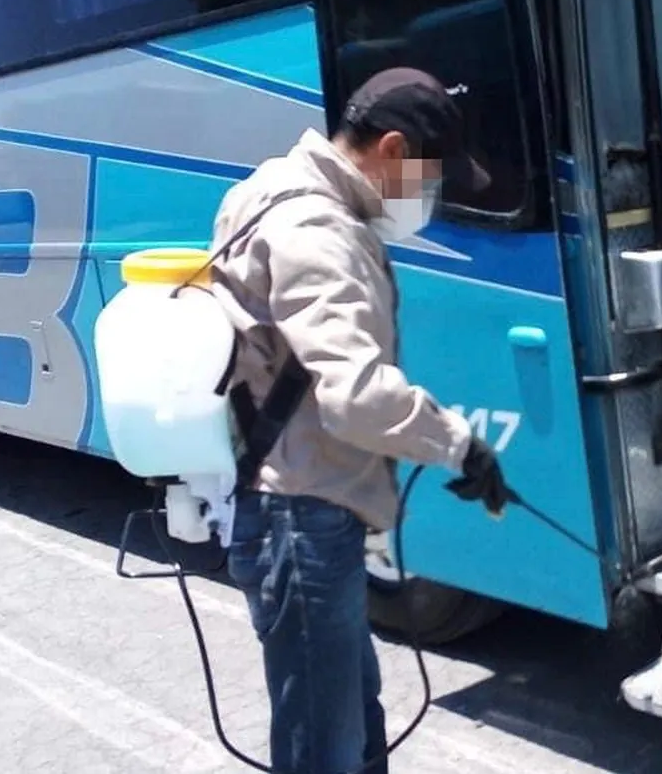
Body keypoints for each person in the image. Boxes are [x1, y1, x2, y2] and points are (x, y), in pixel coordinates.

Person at [208, 67, 513, 774]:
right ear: (395, 151)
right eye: (432, 178)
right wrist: (461, 445)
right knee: (326, 750)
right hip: (301, 517)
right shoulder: (318, 230)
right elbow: (356, 396)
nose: (429, 198)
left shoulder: (266, 188)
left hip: (293, 504)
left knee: (351, 729)